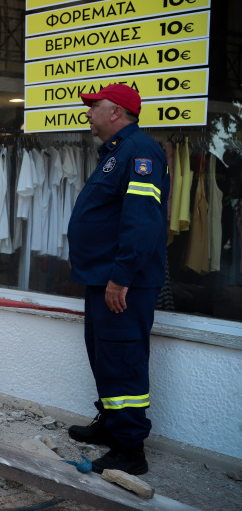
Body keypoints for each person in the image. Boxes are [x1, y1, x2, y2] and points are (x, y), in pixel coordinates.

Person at [66, 84, 169, 476]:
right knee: (106, 356)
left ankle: (130, 449)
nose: (88, 112)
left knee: (123, 359)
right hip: (104, 278)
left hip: (123, 283)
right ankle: (111, 424)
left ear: (116, 112)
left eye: (94, 106)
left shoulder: (139, 151)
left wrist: (120, 278)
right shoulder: (116, 152)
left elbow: (142, 221)